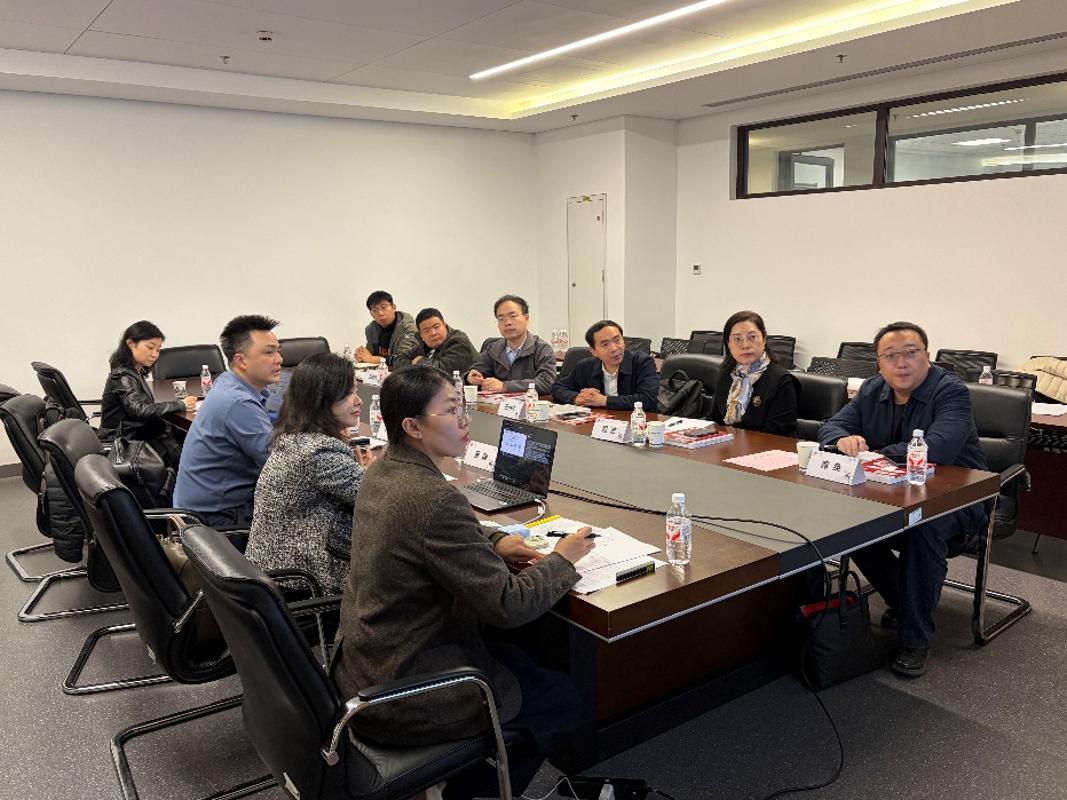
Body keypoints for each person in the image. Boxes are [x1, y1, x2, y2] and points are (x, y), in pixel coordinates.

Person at [332, 365, 595, 798]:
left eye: (462, 408)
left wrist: (494, 539)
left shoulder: (383, 469)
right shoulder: (434, 498)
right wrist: (563, 558)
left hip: (365, 664)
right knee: (561, 699)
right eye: (452, 410)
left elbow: (426, 530)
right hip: (408, 691)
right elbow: (509, 605)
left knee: (520, 655)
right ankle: (470, 790)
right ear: (413, 426)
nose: (464, 421)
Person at [817, 321, 988, 678]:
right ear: (879, 363)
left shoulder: (951, 391)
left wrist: (875, 453)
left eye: (911, 353)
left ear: (928, 355)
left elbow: (937, 448)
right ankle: (908, 605)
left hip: (958, 497)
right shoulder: (872, 389)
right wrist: (842, 440)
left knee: (922, 527)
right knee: (853, 527)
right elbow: (831, 426)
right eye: (890, 356)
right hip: (894, 491)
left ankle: (915, 640)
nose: (901, 362)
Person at [245, 353, 375, 594]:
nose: (358, 401)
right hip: (301, 584)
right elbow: (379, 500)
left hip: (272, 569)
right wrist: (370, 472)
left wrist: (361, 472)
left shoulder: (295, 436)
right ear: (322, 399)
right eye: (348, 394)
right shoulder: (319, 451)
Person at [174, 314, 282, 527]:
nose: (279, 359)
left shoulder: (228, 381)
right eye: (269, 352)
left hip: (206, 509)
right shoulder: (238, 402)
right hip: (216, 521)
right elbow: (280, 463)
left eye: (278, 351)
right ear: (241, 360)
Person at [98, 320, 196, 469]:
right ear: (131, 343)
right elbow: (139, 410)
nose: (155, 354)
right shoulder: (122, 376)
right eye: (150, 347)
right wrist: (181, 404)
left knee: (184, 438)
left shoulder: (134, 371)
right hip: (125, 443)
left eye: (158, 350)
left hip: (137, 434)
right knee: (184, 447)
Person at [709, 310, 799, 437]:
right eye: (737, 339)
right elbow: (715, 421)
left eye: (752, 337)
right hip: (727, 445)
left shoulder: (781, 380)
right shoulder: (727, 375)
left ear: (764, 339)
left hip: (768, 447)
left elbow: (777, 435)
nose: (745, 345)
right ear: (728, 344)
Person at [551, 320, 658, 411]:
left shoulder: (642, 362)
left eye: (617, 340)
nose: (614, 348)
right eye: (605, 344)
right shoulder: (585, 366)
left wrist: (604, 400)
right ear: (593, 351)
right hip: (596, 423)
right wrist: (576, 398)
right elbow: (558, 387)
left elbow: (648, 399)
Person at [467, 294, 556, 395]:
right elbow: (477, 370)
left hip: (530, 403)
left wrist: (505, 386)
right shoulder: (493, 348)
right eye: (501, 318)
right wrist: (471, 377)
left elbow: (546, 383)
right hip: (496, 404)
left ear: (526, 318)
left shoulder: (542, 349)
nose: (507, 322)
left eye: (513, 316)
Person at [354, 290, 419, 367]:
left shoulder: (409, 329)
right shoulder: (371, 329)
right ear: (371, 314)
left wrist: (372, 359)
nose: (380, 313)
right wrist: (361, 355)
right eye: (374, 310)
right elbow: (370, 354)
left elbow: (403, 360)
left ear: (393, 307)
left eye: (384, 307)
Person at [409, 307, 479, 376]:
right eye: (426, 331)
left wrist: (420, 361)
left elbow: (441, 372)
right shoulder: (426, 344)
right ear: (421, 335)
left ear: (444, 325)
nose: (433, 333)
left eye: (436, 327)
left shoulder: (459, 342)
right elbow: (403, 358)